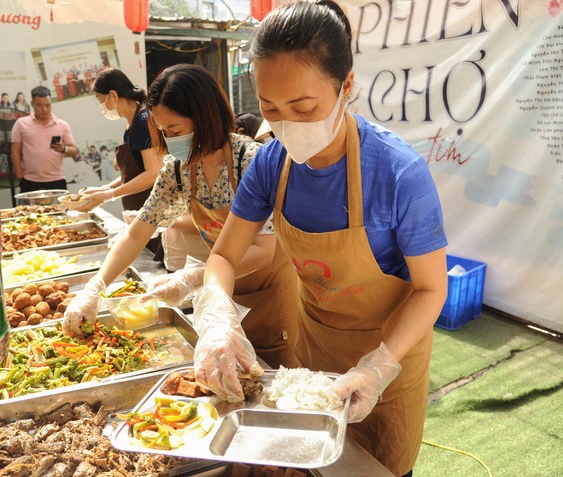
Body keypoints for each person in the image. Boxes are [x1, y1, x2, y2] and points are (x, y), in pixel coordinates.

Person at [192, 3, 448, 477]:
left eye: (304, 107)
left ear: (346, 85)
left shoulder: (398, 173)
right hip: (311, 356)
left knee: (373, 467)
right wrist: (217, 318)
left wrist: (377, 366)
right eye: (270, 108)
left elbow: (432, 289)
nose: (286, 123)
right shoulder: (272, 163)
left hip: (388, 361)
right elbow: (224, 256)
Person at [63, 64, 299, 370]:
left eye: (174, 130)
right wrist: (95, 287)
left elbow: (262, 251)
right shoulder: (178, 170)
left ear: (204, 117)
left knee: (273, 375)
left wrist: (193, 277)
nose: (170, 140)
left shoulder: (251, 161)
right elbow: (137, 232)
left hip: (269, 297)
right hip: (219, 294)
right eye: (163, 132)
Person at [75, 67, 164, 214]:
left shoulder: (143, 121)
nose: (101, 107)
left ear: (113, 95)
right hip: (137, 209)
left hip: (153, 209)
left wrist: (109, 195)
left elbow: (152, 173)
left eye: (100, 100)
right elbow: (130, 175)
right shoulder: (130, 125)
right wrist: (104, 189)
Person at [11, 86, 79, 193]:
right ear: (32, 103)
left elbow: (74, 151)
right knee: (27, 210)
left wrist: (63, 149)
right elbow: (15, 151)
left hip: (57, 180)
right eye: (40, 105)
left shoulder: (62, 125)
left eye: (48, 105)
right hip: (30, 180)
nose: (44, 109)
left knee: (59, 210)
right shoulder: (21, 123)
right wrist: (19, 174)